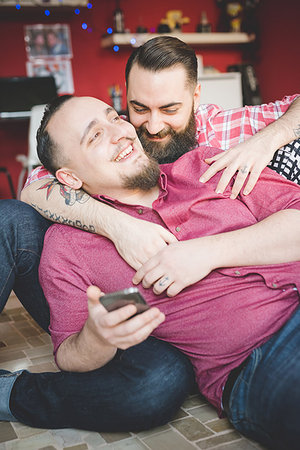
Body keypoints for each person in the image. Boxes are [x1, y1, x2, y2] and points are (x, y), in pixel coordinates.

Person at [0, 35, 299, 430]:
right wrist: (97, 338)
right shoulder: (71, 244)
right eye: (136, 110)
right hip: (257, 364)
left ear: (194, 97)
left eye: (113, 118)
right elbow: (70, 351)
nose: (140, 128)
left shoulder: (212, 159)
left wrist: (204, 252)